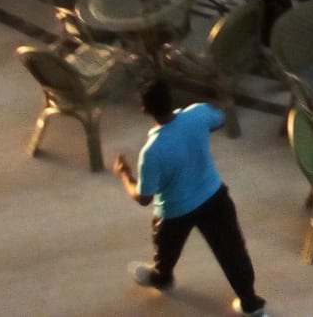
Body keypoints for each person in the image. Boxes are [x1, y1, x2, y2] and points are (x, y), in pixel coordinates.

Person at [113, 81, 266, 315]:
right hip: (214, 197)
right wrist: (195, 134)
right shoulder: (198, 114)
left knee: (166, 248)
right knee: (233, 252)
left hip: (175, 212)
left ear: (145, 110)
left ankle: (162, 278)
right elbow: (219, 120)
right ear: (171, 98)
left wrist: (124, 174)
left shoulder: (152, 151)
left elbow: (144, 197)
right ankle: (250, 302)